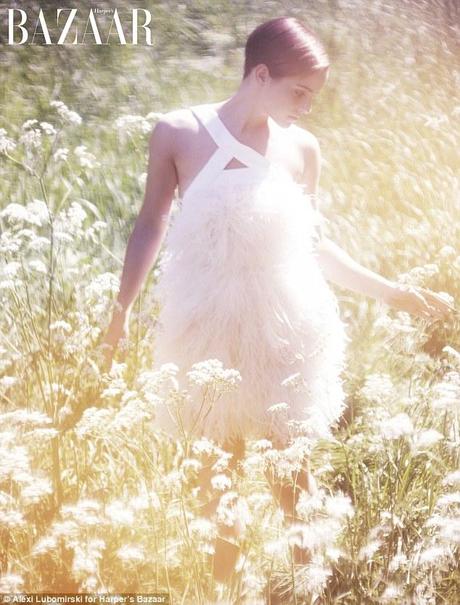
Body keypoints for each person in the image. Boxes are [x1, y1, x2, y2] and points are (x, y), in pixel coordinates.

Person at [102, 16, 455, 588]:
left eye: (314, 97)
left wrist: (394, 294)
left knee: (294, 480)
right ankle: (222, 595)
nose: (307, 108)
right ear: (260, 74)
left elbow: (316, 246)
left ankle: (305, 593)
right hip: (206, 330)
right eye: (299, 93)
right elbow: (151, 223)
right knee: (219, 483)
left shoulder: (302, 149)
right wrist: (118, 315)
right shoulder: (178, 132)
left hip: (284, 331)